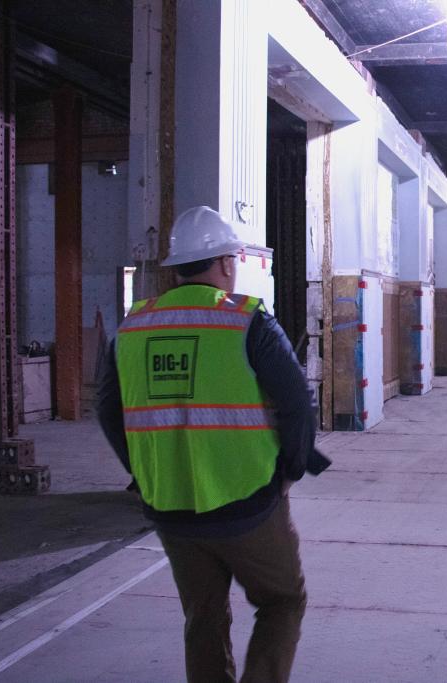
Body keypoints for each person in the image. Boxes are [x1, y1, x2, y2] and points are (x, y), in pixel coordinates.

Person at [97, 205, 330, 683]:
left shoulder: (133, 328)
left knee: (203, 617)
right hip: (247, 502)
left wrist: (145, 474)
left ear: (177, 268)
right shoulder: (246, 321)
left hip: (170, 508)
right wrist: (289, 472)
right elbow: (297, 404)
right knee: (282, 600)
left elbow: (107, 410)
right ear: (225, 263)